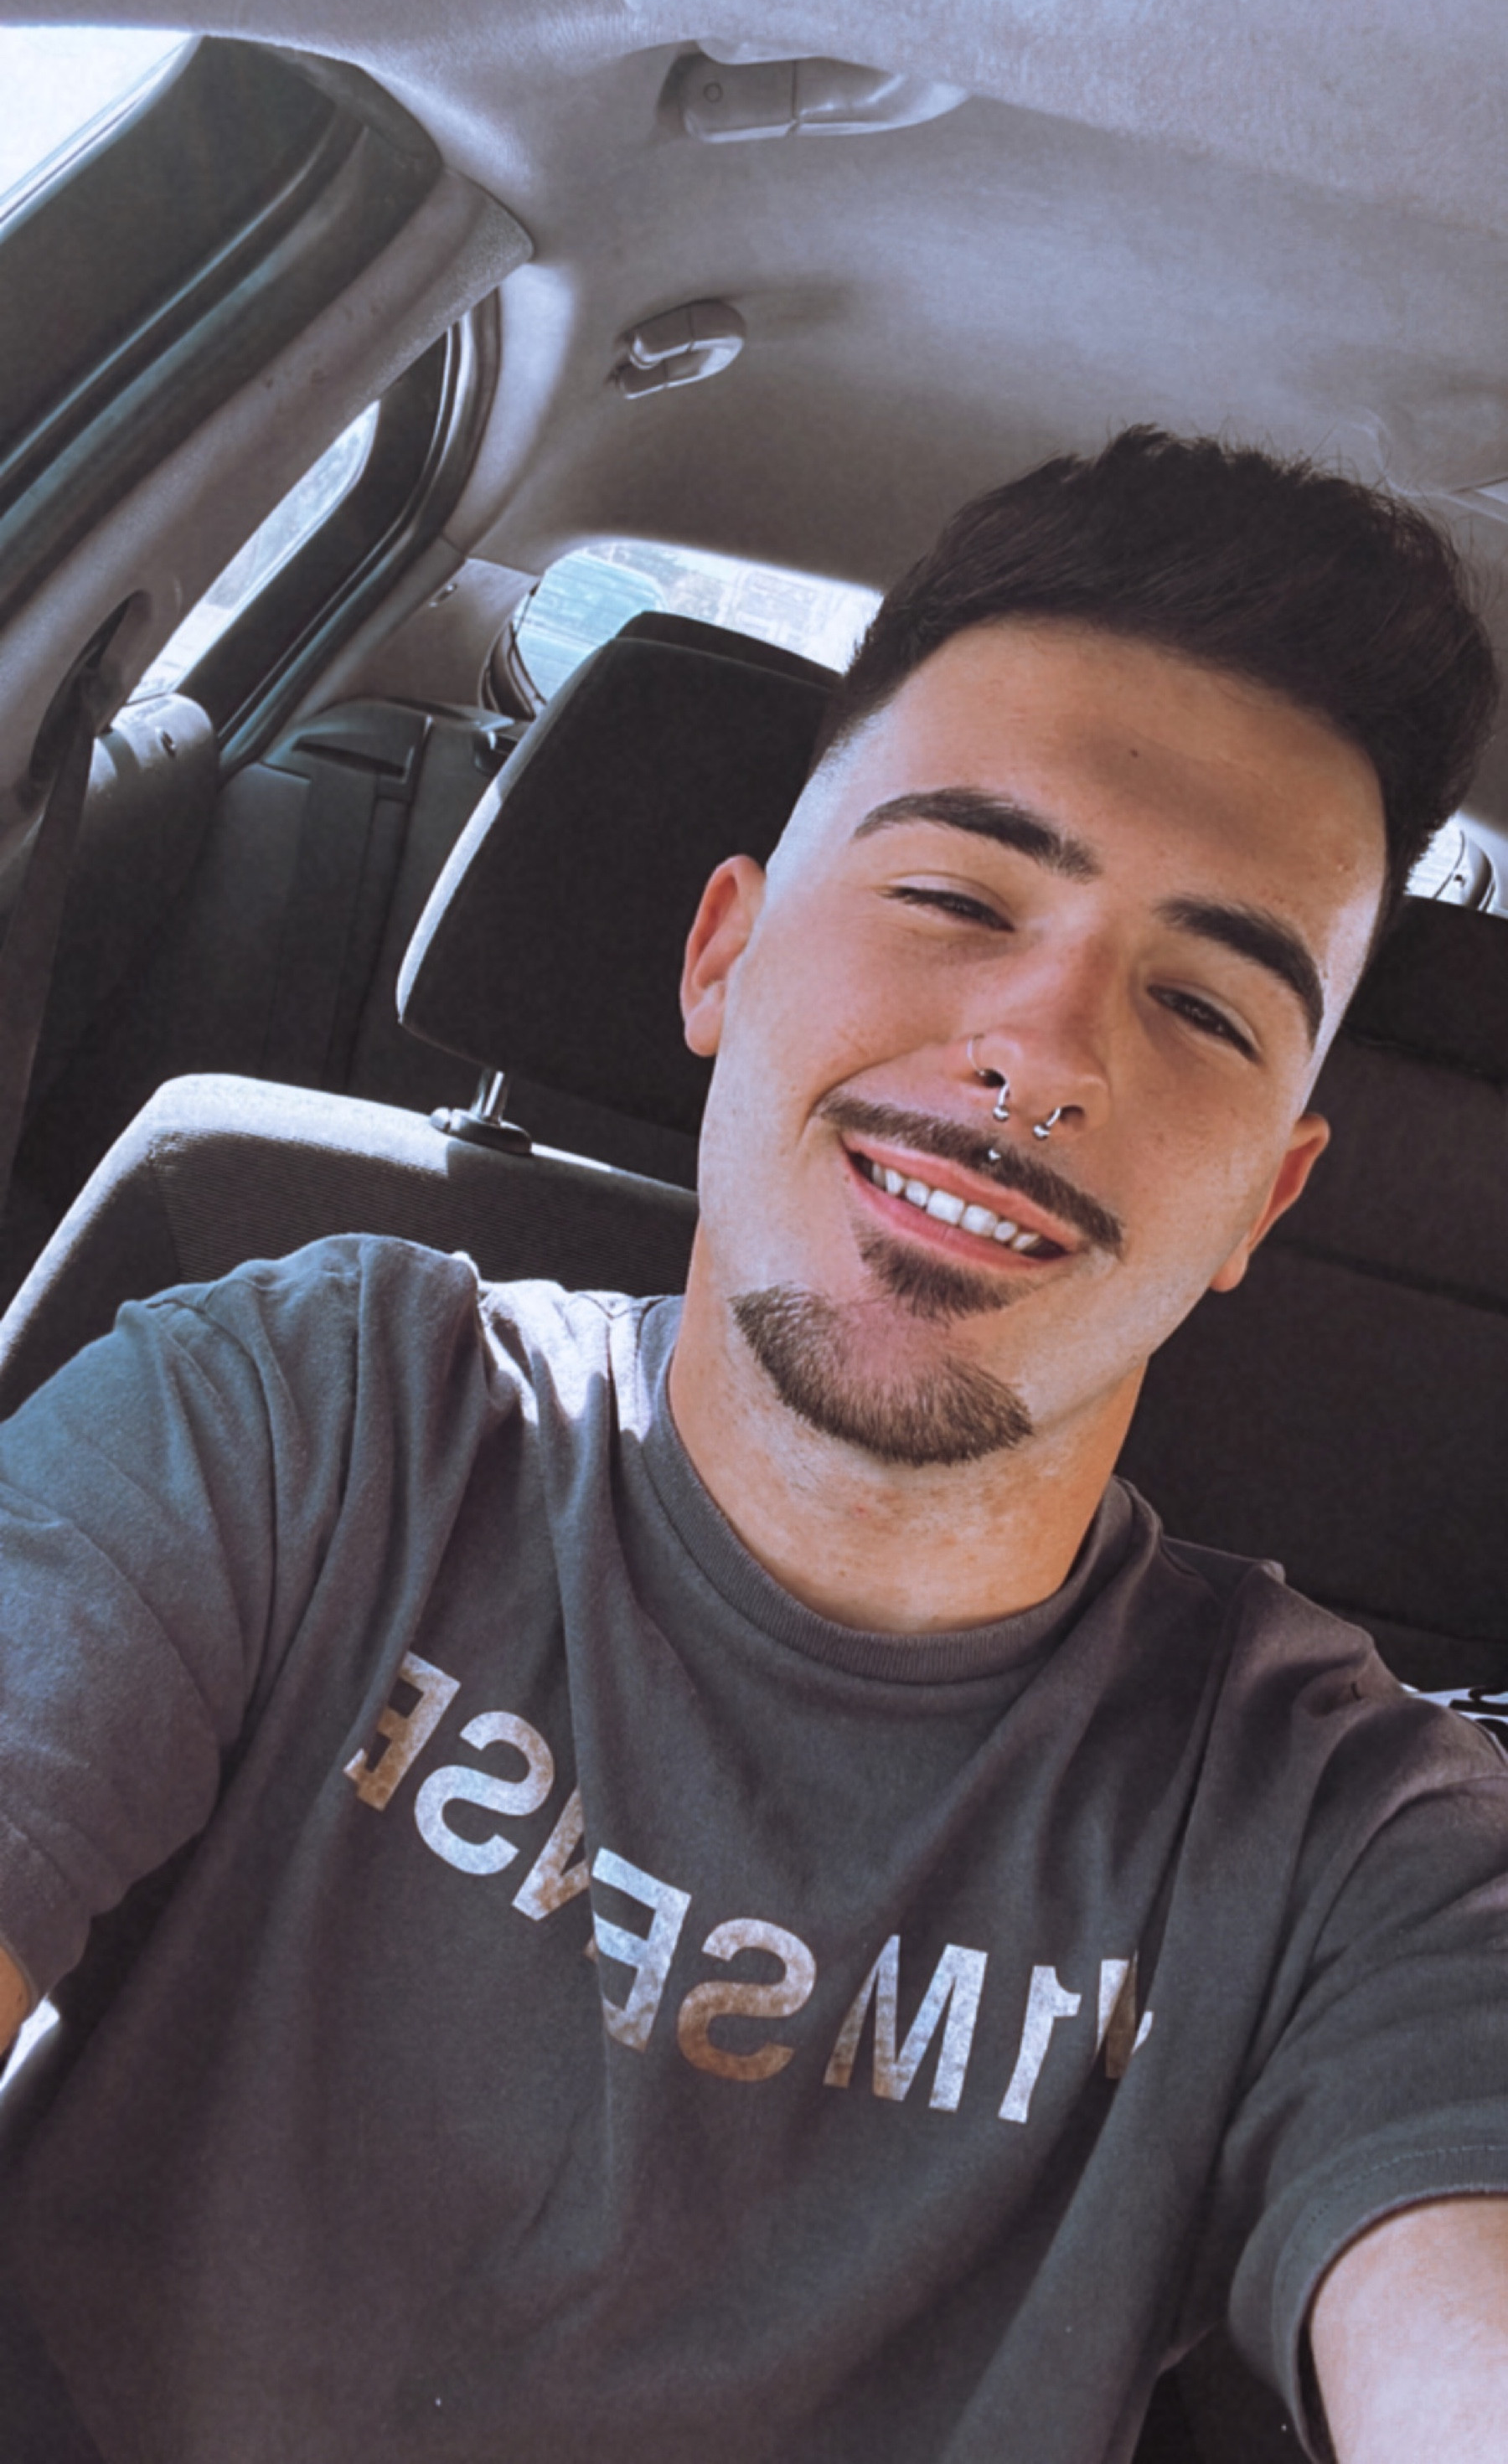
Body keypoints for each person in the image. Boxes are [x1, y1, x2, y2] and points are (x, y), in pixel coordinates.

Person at [1, 427, 1505, 2464]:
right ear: (723, 950)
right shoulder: (302, 1413)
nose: (1041, 1051)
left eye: (1207, 1010)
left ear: (1269, 1194)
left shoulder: (1349, 1834)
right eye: (957, 891)